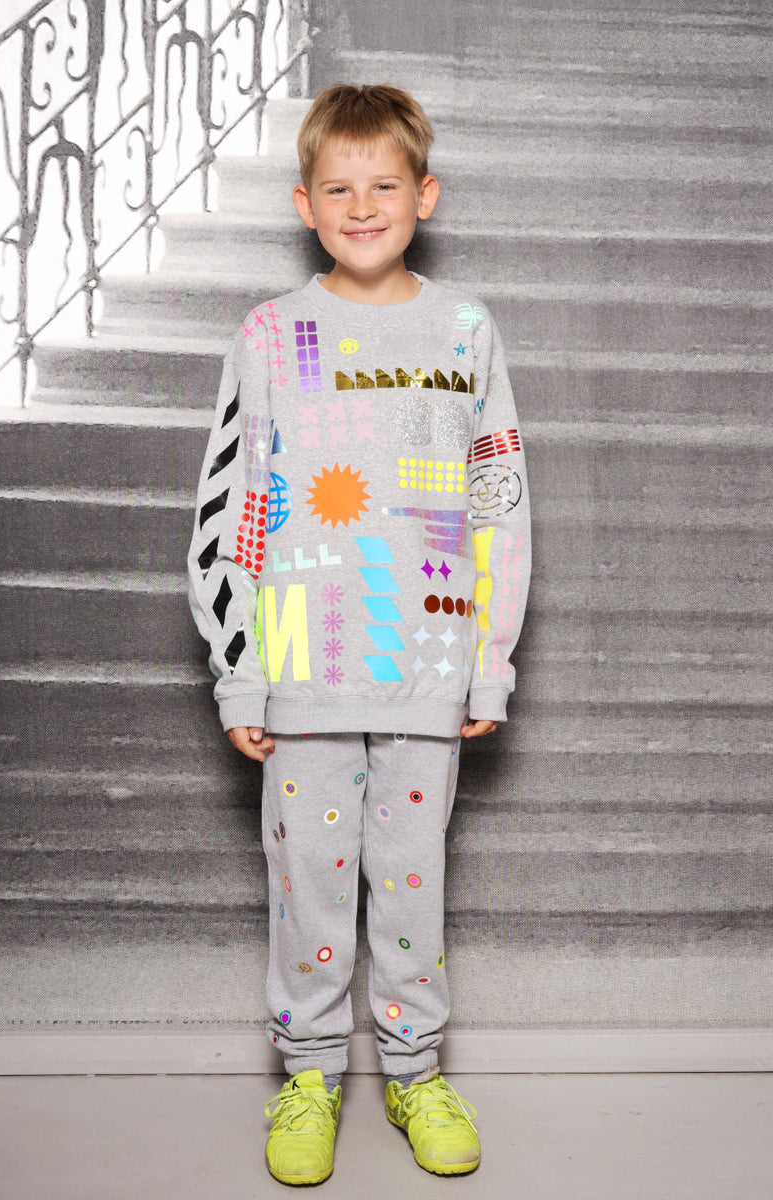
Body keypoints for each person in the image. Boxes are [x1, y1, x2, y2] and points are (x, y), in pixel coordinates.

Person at [187, 83, 531, 1186]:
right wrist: (239, 673)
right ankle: (308, 1076)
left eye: (384, 185)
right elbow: (234, 505)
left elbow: (497, 502)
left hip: (428, 669)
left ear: (424, 195)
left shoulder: (466, 329)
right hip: (304, 670)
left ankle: (415, 1072)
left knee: (411, 882)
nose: (363, 206)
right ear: (305, 205)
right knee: (310, 884)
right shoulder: (269, 334)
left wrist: (489, 660)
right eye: (338, 189)